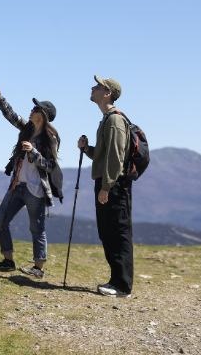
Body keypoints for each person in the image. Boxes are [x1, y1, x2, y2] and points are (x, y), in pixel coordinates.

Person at [0, 75, 60, 278]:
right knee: (0, 220)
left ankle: (38, 269)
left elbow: (50, 166)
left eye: (36, 109)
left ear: (43, 115)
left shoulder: (50, 138)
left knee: (37, 229)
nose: (32, 110)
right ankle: (8, 261)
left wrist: (33, 152)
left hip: (35, 189)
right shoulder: (27, 128)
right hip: (17, 185)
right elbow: (11, 115)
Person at [77, 75, 133, 298]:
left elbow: (116, 157)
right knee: (108, 233)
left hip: (114, 185)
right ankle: (116, 281)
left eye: (98, 86)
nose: (93, 88)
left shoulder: (115, 120)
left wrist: (107, 187)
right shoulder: (106, 119)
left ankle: (122, 286)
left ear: (107, 93)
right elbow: (104, 156)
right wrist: (88, 149)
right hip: (108, 183)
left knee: (117, 233)